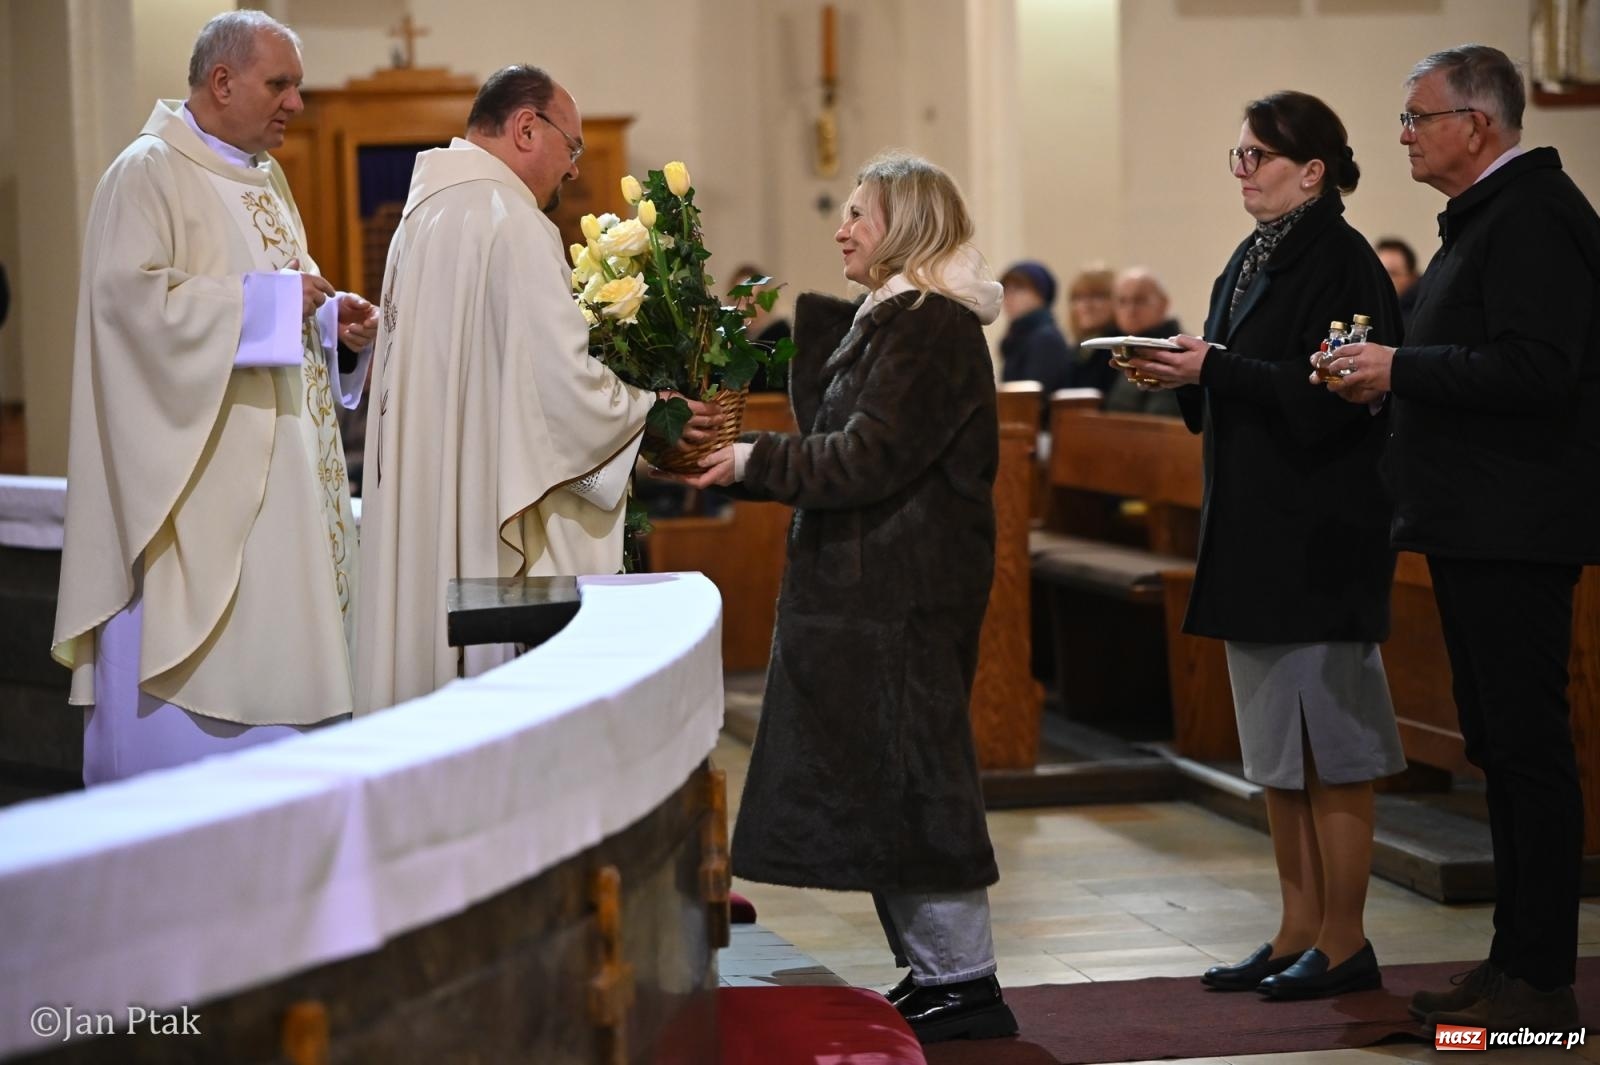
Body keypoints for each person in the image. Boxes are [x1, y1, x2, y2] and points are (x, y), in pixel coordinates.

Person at [675, 153, 1017, 1044]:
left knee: (918, 782)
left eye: (861, 213)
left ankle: (965, 979)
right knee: (885, 785)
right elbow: (842, 431)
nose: (842, 226)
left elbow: (865, 455)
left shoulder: (932, 327)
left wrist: (753, 459)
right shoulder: (896, 317)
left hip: (905, 594)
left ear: (905, 225)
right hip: (876, 592)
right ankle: (935, 970)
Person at [1323, 44, 1600, 1031]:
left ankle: (1541, 978)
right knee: (1500, 740)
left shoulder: (1530, 219)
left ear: (1476, 123)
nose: (1402, 133)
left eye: (1415, 117)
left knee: (1527, 747)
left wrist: (1400, 369)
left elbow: (1534, 371)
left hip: (1516, 525)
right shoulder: (1489, 219)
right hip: (1479, 520)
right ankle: (1512, 960)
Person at [50, 11, 378, 784]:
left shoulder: (264, 177)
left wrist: (333, 322)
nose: (296, 103)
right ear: (221, 81)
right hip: (199, 486)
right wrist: (265, 305)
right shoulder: (146, 172)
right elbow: (128, 310)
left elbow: (282, 294)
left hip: (287, 492)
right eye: (281, 84)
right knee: (199, 753)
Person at [1129, 90, 1405, 1000]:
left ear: (1313, 170)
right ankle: (1295, 927)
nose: (1243, 171)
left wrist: (1218, 368)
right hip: (1254, 532)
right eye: (1237, 155)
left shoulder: (1345, 261)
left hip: (1320, 534)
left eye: (1259, 157)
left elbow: (1334, 393)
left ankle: (1345, 937)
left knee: (1335, 749)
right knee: (1279, 757)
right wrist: (1182, 370)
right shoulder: (1251, 257)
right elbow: (1238, 383)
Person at [354, 65, 720, 713]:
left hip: (427, 508)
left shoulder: (426, 215)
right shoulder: (509, 221)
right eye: (570, 146)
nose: (574, 167)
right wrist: (649, 412)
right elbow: (560, 394)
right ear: (527, 127)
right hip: (470, 541)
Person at [1104, 267, 1182, 415]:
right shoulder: (1121, 348)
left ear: (1163, 304)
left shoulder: (1176, 352)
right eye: (1122, 301)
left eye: (1139, 300)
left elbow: (1161, 420)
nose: (1130, 310)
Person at [998, 260, 1073, 393]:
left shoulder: (1046, 338)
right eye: (1005, 290)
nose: (1009, 296)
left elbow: (1035, 397)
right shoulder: (1016, 337)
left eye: (1018, 288)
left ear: (1041, 294)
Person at [1060, 265, 1119, 397]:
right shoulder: (1077, 350)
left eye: (1097, 296)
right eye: (1078, 298)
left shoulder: (1120, 348)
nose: (1086, 305)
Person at [1374, 236, 1421, 331]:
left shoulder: (1418, 320)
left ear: (1412, 277)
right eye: (1378, 272)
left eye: (1392, 273)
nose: (1382, 279)